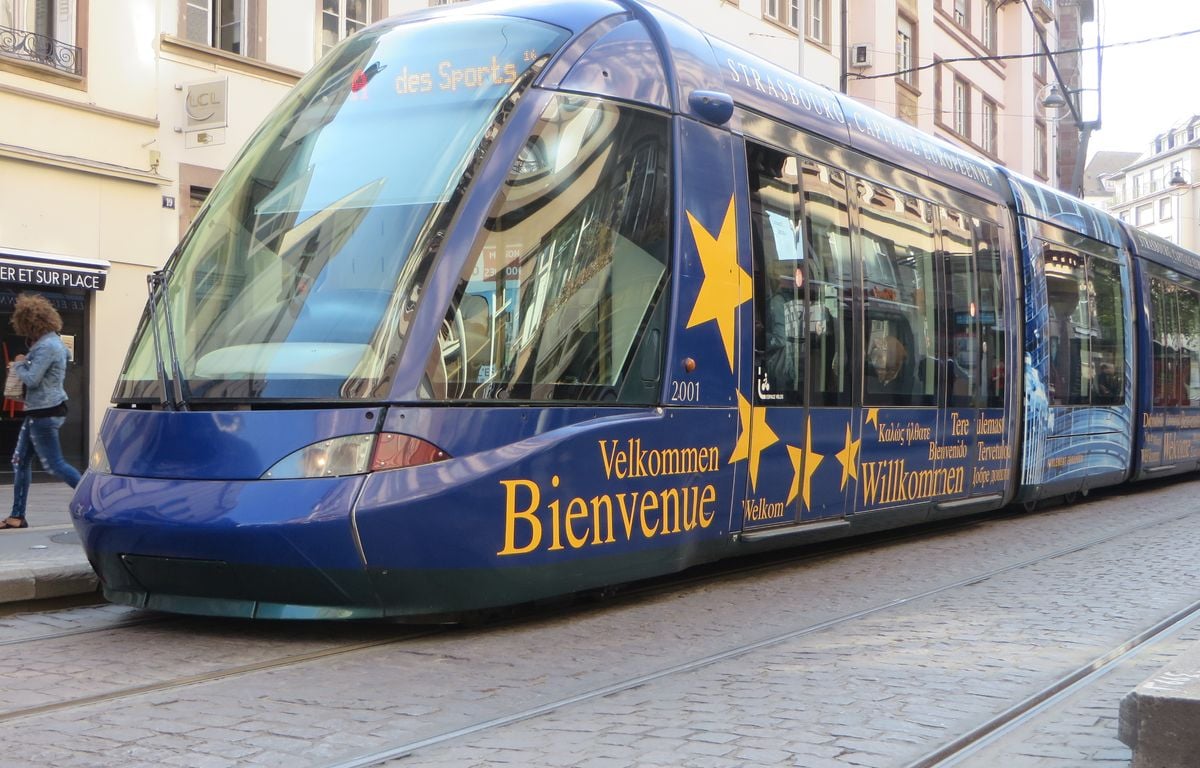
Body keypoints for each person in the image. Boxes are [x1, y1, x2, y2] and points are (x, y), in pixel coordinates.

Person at [2, 294, 81, 530]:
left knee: (54, 464)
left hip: (45, 413)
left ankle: (97, 500)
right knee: (20, 461)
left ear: (31, 324)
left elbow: (33, 379)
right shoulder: (49, 343)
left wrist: (17, 365)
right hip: (38, 412)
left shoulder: (47, 346)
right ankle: (17, 516)